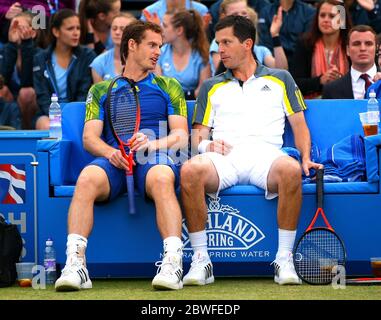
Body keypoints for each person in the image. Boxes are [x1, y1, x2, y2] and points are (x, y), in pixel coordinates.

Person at [180, 15, 322, 286]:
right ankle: (201, 260)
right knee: (189, 171)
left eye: (226, 42)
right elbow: (197, 132)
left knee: (291, 171)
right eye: (217, 42)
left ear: (247, 44)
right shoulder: (211, 85)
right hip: (224, 158)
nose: (219, 49)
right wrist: (206, 145)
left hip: (266, 157)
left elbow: (299, 125)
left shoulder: (282, 78)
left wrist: (305, 159)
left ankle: (284, 259)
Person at [54, 20, 189, 292]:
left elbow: (181, 136)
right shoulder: (101, 89)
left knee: (163, 176)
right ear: (132, 45)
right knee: (87, 178)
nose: (157, 52)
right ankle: (76, 264)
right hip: (114, 161)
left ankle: (173, 263)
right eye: (151, 45)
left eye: (160, 46)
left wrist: (152, 144)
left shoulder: (169, 86)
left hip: (153, 158)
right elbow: (90, 138)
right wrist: (110, 153)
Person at [33, 9, 96, 130]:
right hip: (49, 113)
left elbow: (84, 93)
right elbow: (42, 96)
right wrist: (56, 116)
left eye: (78, 28)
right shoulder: (40, 59)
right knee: (47, 125)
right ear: (56, 32)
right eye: (70, 28)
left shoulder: (87, 56)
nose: (76, 33)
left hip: (78, 112)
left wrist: (70, 117)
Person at [290, 0, 351, 98]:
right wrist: (320, 80)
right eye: (322, 15)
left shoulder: (351, 45)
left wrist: (341, 81)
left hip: (345, 104)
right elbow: (294, 83)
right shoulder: (305, 45)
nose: (326, 20)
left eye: (332, 16)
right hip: (312, 105)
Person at [210, 0, 288, 76]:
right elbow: (222, 73)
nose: (241, 18)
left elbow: (282, 71)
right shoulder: (218, 42)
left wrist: (275, 35)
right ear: (224, 17)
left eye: (244, 14)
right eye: (235, 15)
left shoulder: (260, 50)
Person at [0, 11, 42, 129]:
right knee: (2, 89)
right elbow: (2, 80)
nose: (15, 31)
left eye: (20, 28)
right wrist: (12, 46)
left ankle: (26, 133)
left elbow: (28, 82)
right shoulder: (4, 52)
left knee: (26, 93)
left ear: (33, 33)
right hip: (9, 103)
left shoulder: (41, 55)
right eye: (12, 27)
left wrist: (26, 45)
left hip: (34, 103)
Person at [156, 9, 210, 99]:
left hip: (193, 106)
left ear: (179, 30)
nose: (160, 29)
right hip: (166, 104)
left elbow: (203, 90)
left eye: (164, 26)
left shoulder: (201, 54)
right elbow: (158, 87)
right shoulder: (160, 53)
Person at [322, 25, 381, 99]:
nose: (363, 48)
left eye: (368, 44)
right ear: (347, 50)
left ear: (376, 48)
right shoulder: (331, 89)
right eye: (356, 44)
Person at [90, 12, 136, 83]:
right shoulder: (99, 62)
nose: (117, 32)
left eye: (122, 29)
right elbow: (98, 93)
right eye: (114, 28)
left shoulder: (143, 60)